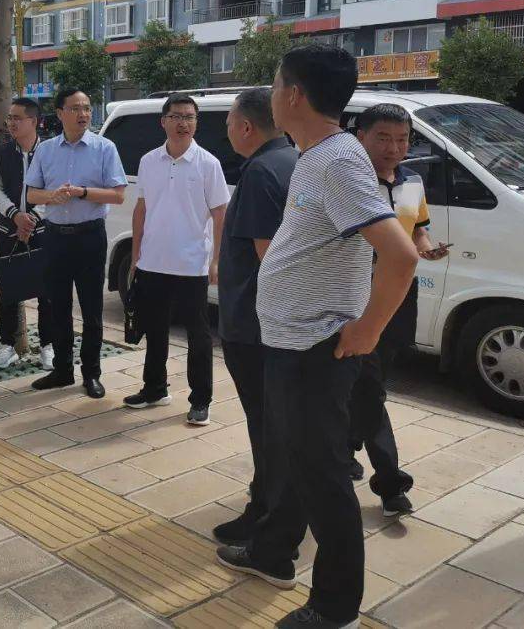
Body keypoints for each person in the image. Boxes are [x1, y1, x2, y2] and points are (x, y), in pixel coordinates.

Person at [215, 45, 419, 629]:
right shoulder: (315, 155)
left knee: (325, 480)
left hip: (316, 349)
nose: (273, 93)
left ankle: (334, 610)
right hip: (291, 344)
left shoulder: (336, 160)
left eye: (277, 84)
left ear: (294, 95)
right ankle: (275, 552)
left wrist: (366, 331)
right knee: (303, 467)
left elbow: (400, 257)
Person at [352, 103, 449, 516]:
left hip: (400, 296)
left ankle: (341, 448)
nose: (395, 147)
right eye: (384, 138)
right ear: (360, 137)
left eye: (403, 138)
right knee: (371, 388)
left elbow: (418, 229)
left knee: (370, 382)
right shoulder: (351, 182)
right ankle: (391, 484)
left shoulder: (412, 181)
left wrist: (427, 249)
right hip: (357, 296)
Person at [212, 87, 298, 545]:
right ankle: (272, 505)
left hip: (256, 326)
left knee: (267, 427)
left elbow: (273, 263)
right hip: (275, 325)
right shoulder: (292, 160)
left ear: (246, 127)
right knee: (276, 424)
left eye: (228, 121)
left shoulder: (263, 172)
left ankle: (266, 513)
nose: (226, 128)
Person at [123, 93, 229, 425]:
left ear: (196, 123)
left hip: (191, 264)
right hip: (153, 262)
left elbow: (220, 214)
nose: (183, 123)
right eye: (176, 116)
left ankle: (201, 399)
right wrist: (135, 253)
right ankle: (154, 388)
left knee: (198, 336)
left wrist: (216, 261)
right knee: (154, 330)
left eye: (189, 117)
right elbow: (141, 208)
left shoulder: (208, 163)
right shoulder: (148, 161)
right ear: (163, 121)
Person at [25, 87, 126, 399]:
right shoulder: (45, 151)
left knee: (92, 309)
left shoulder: (104, 148)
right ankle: (62, 370)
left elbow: (118, 195)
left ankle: (91, 373)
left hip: (90, 237)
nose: (83, 114)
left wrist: (82, 191)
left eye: (87, 108)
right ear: (60, 113)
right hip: (55, 237)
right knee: (57, 306)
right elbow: (31, 195)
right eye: (76, 108)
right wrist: (51, 196)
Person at [0, 97, 54, 370]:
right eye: (9, 118)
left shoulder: (51, 151)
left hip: (44, 231)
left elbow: (56, 190)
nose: (11, 123)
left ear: (34, 121)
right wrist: (15, 215)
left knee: (48, 291)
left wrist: (34, 217)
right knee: (9, 290)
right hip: (10, 230)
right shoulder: (1, 152)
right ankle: (7, 345)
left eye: (17, 118)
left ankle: (48, 346)